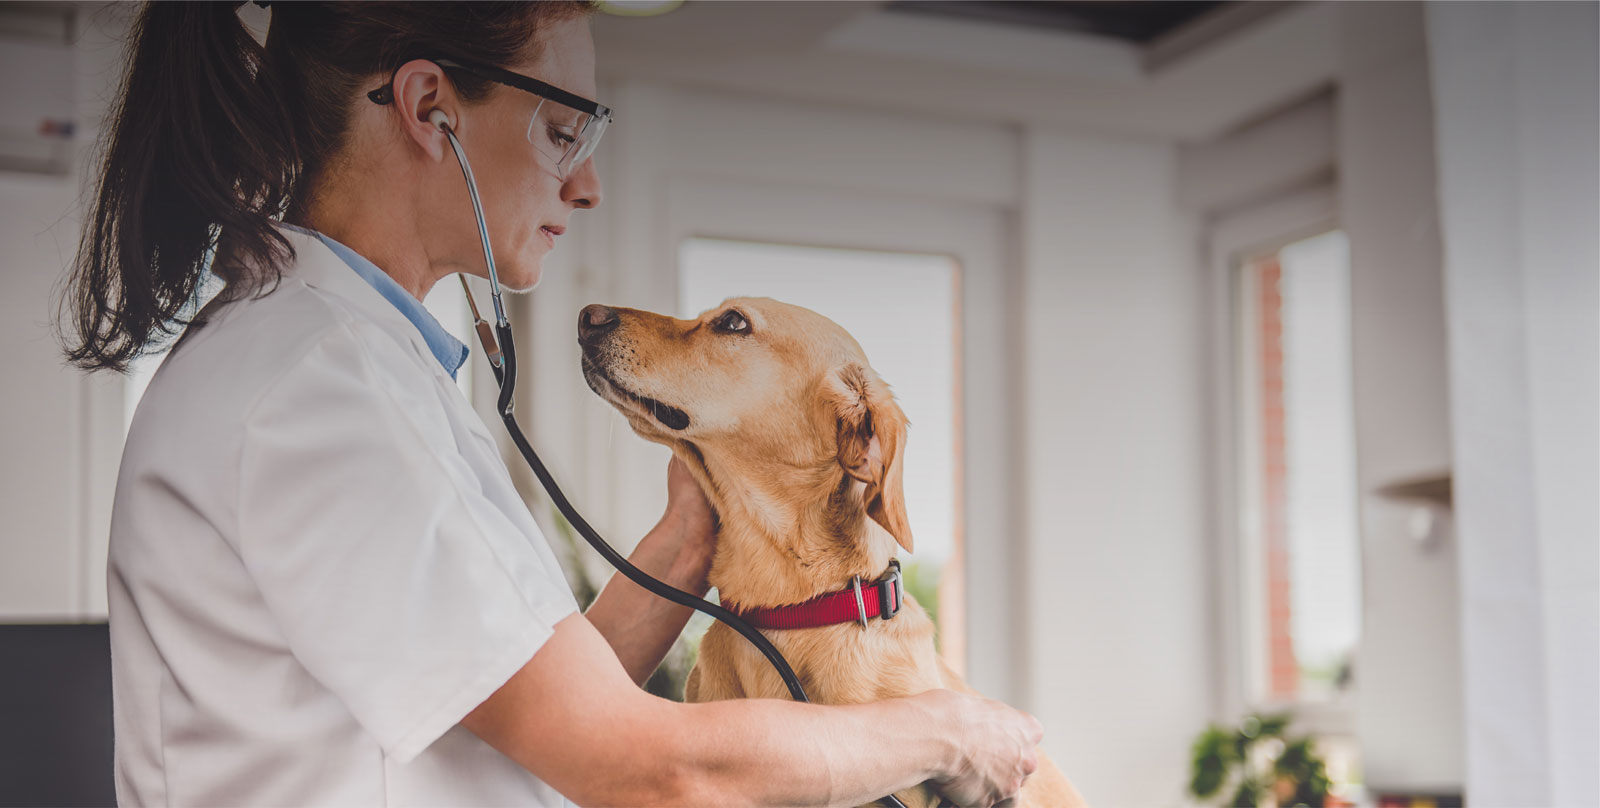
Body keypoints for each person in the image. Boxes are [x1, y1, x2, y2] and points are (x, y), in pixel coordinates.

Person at [62, 2, 1045, 805]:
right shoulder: (315, 391)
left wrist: (689, 537)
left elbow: (527, 704)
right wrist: (950, 724)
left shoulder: (350, 368)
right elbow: (649, 767)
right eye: (563, 129)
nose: (587, 186)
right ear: (428, 106)